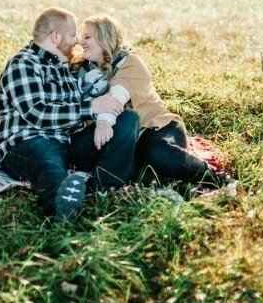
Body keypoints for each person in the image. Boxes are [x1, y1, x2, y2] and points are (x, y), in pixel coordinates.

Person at [0, 7, 140, 220]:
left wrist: (102, 114)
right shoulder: (24, 63)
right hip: (27, 142)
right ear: (55, 37)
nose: (77, 42)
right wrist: (91, 107)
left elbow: (77, 112)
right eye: (73, 35)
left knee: (128, 120)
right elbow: (38, 113)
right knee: (51, 167)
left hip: (66, 143)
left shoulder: (65, 68)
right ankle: (62, 214)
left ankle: (102, 188)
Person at [80, 15, 231, 194]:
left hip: (157, 128)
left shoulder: (130, 63)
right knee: (137, 170)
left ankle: (216, 179)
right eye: (82, 37)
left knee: (157, 154)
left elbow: (115, 99)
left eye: (87, 37)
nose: (82, 42)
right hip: (128, 139)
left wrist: (104, 122)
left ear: (105, 39)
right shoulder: (86, 71)